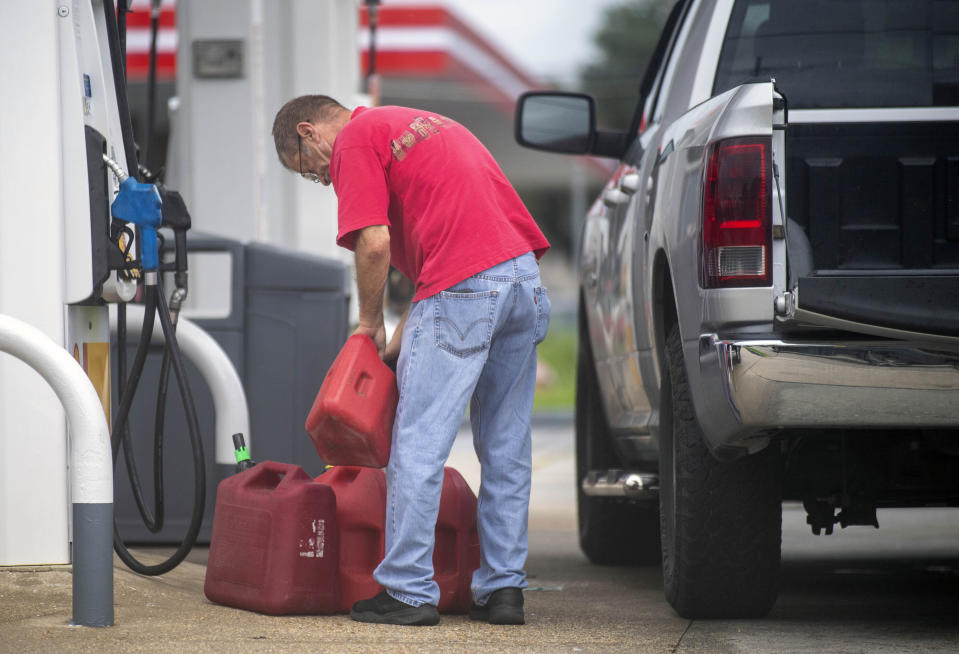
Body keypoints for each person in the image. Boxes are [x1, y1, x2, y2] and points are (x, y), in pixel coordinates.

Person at [271, 95, 551, 626]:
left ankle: (407, 589)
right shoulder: (417, 122)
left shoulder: (353, 139)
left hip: (464, 288)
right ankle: (503, 590)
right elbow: (460, 247)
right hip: (521, 282)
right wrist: (406, 334)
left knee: (418, 441)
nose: (323, 181)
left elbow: (374, 244)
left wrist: (370, 325)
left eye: (309, 172)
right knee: (506, 446)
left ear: (309, 132)